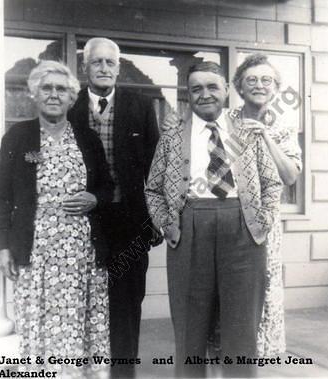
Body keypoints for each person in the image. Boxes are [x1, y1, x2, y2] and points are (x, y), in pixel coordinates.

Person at [145, 61, 283, 378]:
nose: (205, 94)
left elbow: (273, 183)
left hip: (243, 229)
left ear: (225, 91)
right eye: (196, 89)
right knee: (190, 331)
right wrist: (167, 223)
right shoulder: (172, 136)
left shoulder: (247, 131)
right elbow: (153, 188)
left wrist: (262, 222)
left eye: (212, 87)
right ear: (188, 95)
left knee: (241, 330)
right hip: (190, 228)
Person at [0, 61, 114, 377]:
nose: (54, 95)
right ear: (34, 93)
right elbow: (0, 194)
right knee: (38, 324)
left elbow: (106, 185)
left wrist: (95, 198)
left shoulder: (87, 138)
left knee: (81, 324)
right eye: (47, 88)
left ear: (73, 98)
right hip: (36, 252)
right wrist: (3, 246)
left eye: (62, 89)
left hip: (81, 254)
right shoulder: (18, 137)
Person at [67, 37, 161, 379]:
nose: (104, 68)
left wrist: (154, 222)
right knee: (81, 305)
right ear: (85, 68)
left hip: (129, 225)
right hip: (82, 223)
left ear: (118, 68)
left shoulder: (140, 105)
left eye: (110, 63)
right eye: (97, 62)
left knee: (125, 307)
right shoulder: (70, 105)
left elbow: (156, 166)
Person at [216, 53, 304, 357]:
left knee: (260, 288)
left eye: (266, 79)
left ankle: (251, 359)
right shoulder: (225, 121)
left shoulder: (283, 126)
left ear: (276, 86)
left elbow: (290, 176)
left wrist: (266, 137)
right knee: (226, 288)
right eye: (251, 79)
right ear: (239, 86)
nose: (259, 85)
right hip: (227, 219)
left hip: (265, 224)